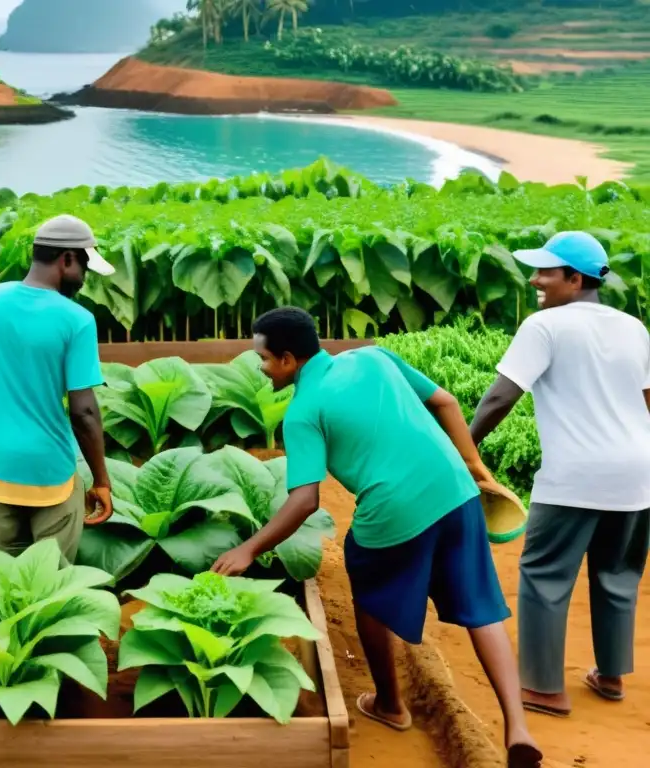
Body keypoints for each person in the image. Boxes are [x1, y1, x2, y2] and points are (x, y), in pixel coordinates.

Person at [211, 307, 542, 768]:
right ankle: (518, 728)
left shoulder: (303, 411)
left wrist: (248, 548)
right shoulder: (373, 357)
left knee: (365, 582)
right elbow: (445, 402)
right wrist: (472, 465)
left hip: (394, 509)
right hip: (456, 492)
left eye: (264, 359)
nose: (262, 368)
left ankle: (391, 704)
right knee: (481, 609)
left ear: (287, 360)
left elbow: (305, 501)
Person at [470, 231, 650, 717]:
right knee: (617, 573)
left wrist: (462, 446)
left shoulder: (545, 326)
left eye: (545, 271)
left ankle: (545, 689)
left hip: (575, 474)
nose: (535, 280)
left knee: (545, 574)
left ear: (575, 278)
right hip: (637, 474)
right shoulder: (633, 327)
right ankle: (610, 676)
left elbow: (500, 397)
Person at [0, 214, 116, 564]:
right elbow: (84, 412)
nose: (84, 279)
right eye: (85, 268)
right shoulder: (76, 319)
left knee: (0, 573)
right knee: (50, 577)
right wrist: (101, 481)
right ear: (67, 260)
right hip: (48, 470)